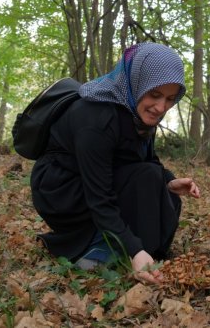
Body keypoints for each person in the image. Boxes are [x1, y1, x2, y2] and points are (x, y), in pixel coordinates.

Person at [30, 43, 200, 284]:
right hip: (62, 191)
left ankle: (144, 254)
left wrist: (169, 182)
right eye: (155, 95)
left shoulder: (136, 113)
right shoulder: (95, 118)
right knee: (147, 178)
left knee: (155, 180)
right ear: (137, 82)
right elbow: (100, 198)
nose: (161, 107)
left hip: (97, 178)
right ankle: (104, 249)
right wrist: (134, 249)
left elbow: (147, 160)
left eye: (170, 99)